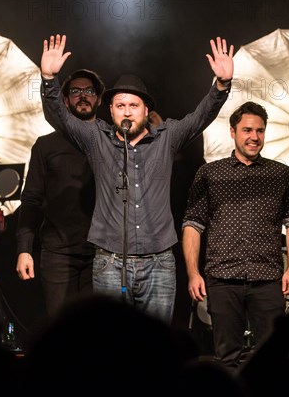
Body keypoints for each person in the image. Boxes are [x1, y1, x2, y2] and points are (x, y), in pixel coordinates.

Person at [37, 34, 234, 324]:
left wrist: (221, 85)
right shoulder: (96, 139)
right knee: (114, 346)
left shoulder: (167, 137)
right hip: (109, 262)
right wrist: (48, 79)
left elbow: (199, 117)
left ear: (146, 110)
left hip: (159, 262)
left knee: (156, 345)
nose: (126, 111)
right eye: (120, 106)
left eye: (133, 105)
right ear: (111, 111)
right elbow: (60, 119)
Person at [182, 101, 289, 373]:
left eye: (260, 131)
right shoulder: (209, 174)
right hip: (222, 277)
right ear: (232, 132)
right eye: (247, 130)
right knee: (226, 359)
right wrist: (192, 272)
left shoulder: (281, 174)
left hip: (268, 277)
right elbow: (192, 224)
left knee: (273, 358)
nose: (254, 137)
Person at [15, 69, 104, 317]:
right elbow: (31, 199)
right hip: (57, 252)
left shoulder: (110, 140)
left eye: (89, 91)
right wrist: (24, 248)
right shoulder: (46, 145)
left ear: (98, 99)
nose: (83, 96)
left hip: (102, 252)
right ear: (64, 100)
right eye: (75, 91)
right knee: (61, 330)